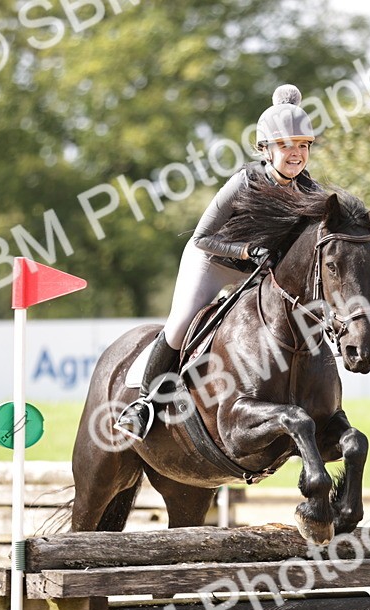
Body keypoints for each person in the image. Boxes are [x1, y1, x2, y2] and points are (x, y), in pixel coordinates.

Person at [114, 84, 320, 440]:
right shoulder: (244, 182)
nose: (296, 153)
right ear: (266, 149)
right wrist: (245, 252)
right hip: (213, 259)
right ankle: (145, 405)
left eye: (303, 145)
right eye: (286, 145)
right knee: (180, 325)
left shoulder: (309, 190)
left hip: (259, 272)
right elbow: (201, 238)